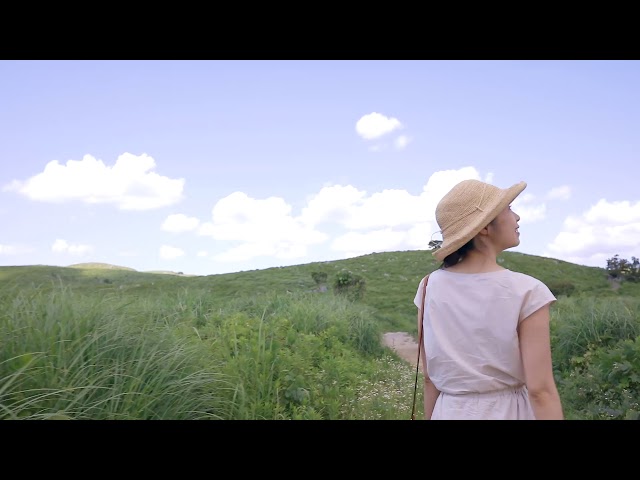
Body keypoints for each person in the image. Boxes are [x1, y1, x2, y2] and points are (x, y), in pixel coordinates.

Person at [414, 178, 564, 420]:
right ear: (484, 227)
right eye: (509, 209)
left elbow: (430, 378)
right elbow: (540, 391)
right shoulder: (527, 290)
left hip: (448, 411)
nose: (517, 217)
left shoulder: (428, 286)